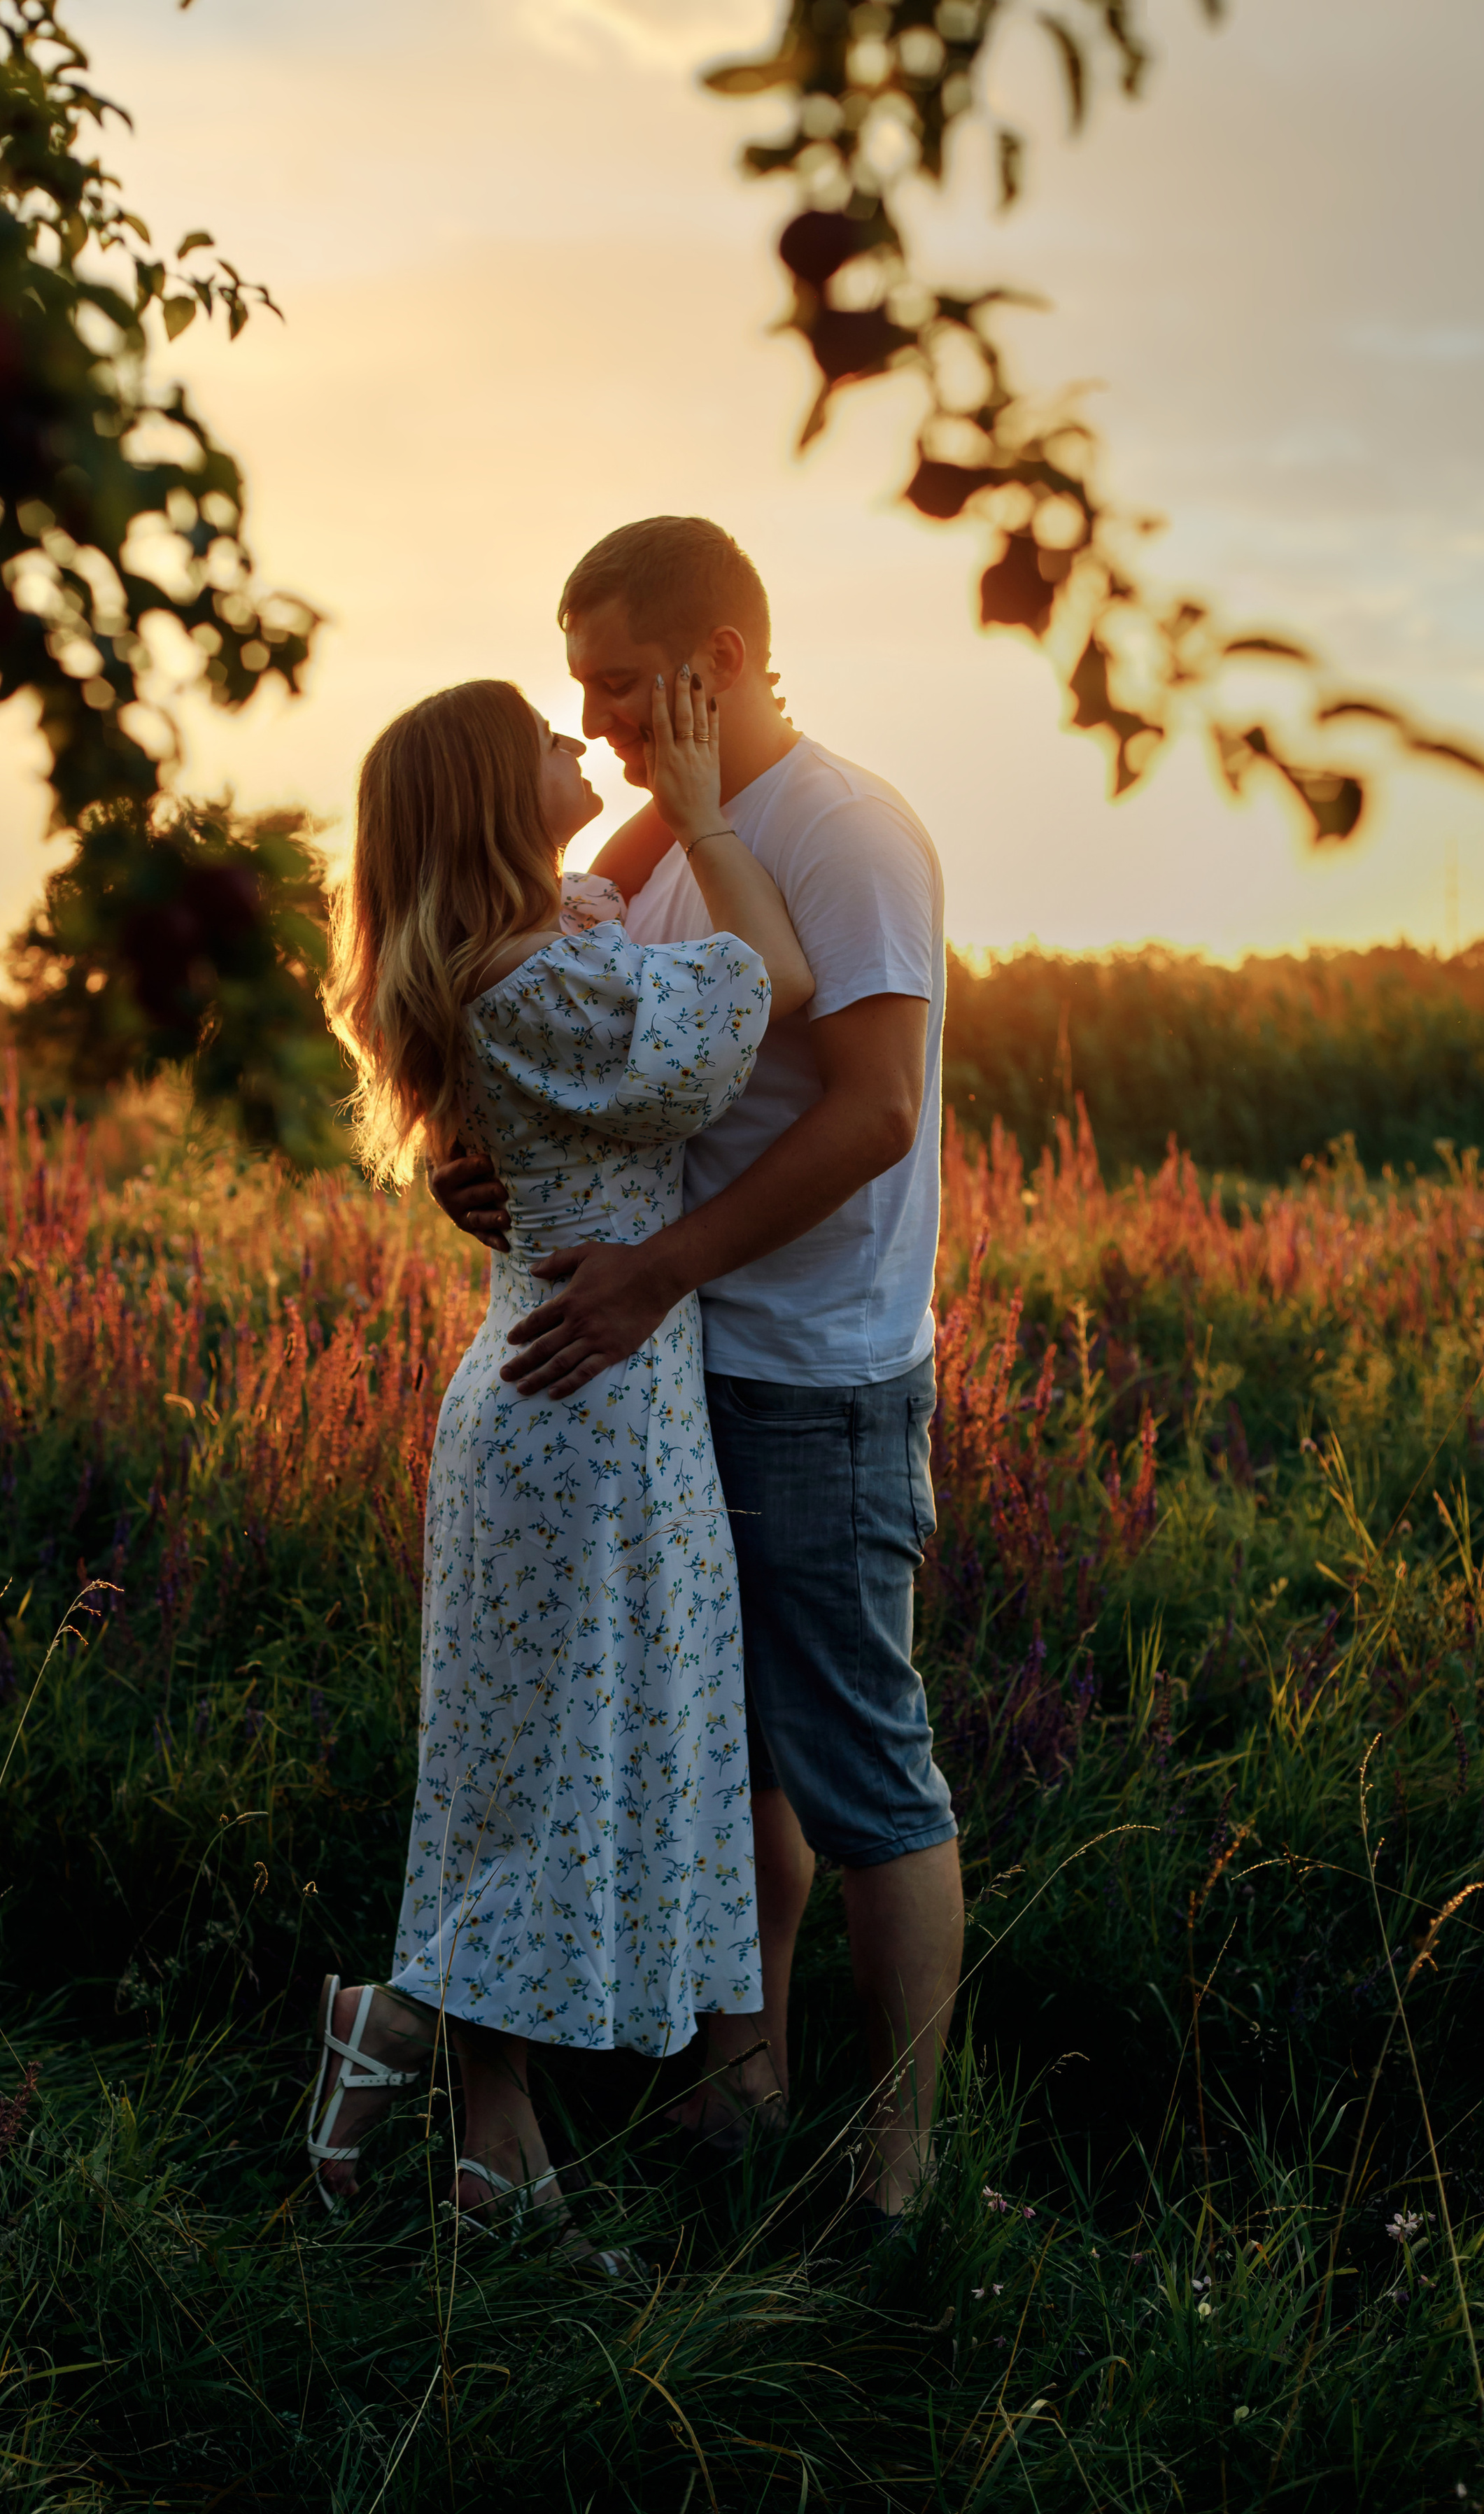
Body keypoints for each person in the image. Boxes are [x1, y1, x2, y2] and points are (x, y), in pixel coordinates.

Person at [432, 517, 964, 2224]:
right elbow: (583, 1061)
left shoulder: (844, 830)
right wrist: (489, 1174)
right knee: (719, 1759)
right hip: (666, 1368)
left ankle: (897, 2157)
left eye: (608, 680)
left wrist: (658, 1270)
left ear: (712, 662)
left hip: (810, 1368)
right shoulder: (670, 845)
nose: (587, 720)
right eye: (576, 685)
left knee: (862, 1765)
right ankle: (742, 2089)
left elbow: (874, 1113)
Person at [305, 667, 815, 2257]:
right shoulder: (542, 985)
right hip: (578, 1414)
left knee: (531, 1766)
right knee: (550, 1770)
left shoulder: (558, 935)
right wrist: (715, 803)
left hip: (582, 1391)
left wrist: (675, 761)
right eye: (542, 736)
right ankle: (392, 2018)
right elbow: (771, 980)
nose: (571, 746)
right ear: (482, 801)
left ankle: (493, 2157)